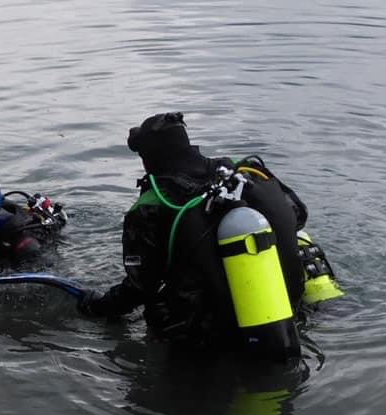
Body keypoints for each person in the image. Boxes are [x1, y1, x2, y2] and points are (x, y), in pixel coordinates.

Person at [77, 112, 317, 356]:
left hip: (208, 339)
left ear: (149, 157)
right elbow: (298, 216)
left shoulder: (153, 206)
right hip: (282, 309)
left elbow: (140, 288)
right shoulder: (244, 173)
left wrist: (96, 305)